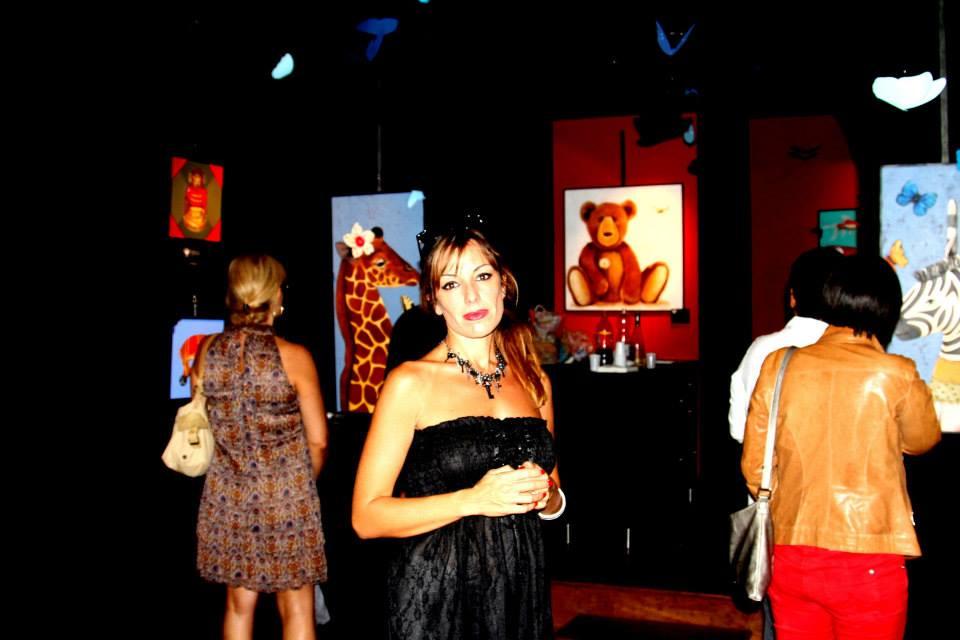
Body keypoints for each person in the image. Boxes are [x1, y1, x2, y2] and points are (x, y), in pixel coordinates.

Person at [352, 226, 563, 640]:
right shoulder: (410, 382)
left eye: (482, 276)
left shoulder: (533, 378)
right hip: (436, 598)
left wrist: (548, 496)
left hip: (519, 593)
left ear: (504, 284)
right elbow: (366, 518)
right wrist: (472, 499)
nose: (471, 295)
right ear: (434, 300)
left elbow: (554, 495)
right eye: (451, 283)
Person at [741, 255, 941, 640]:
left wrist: (791, 507)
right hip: (869, 554)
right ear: (887, 309)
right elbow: (923, 439)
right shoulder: (895, 372)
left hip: (790, 552)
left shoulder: (779, 364)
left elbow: (754, 466)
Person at [192, 254, 329, 640]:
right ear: (274, 296)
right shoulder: (295, 357)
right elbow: (319, 440)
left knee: (238, 606)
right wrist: (298, 487)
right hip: (288, 498)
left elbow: (208, 422)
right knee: (297, 608)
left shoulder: (208, 350)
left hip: (228, 495)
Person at [729, 247, 845, 444]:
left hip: (772, 461)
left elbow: (740, 429)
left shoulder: (763, 349)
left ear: (792, 297)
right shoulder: (858, 354)